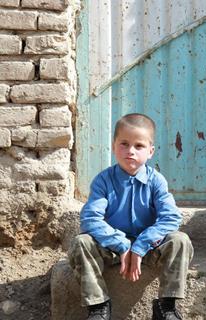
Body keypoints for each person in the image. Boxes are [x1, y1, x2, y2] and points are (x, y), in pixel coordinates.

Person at [68, 113, 193, 320]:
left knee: (180, 240)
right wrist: (122, 244)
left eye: (139, 146)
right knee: (81, 242)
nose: (130, 151)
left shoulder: (156, 181)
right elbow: (90, 219)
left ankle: (166, 307)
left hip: (150, 248)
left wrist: (140, 245)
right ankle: (99, 307)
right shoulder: (103, 181)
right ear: (114, 146)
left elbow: (171, 218)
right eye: (124, 144)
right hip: (111, 249)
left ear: (150, 151)